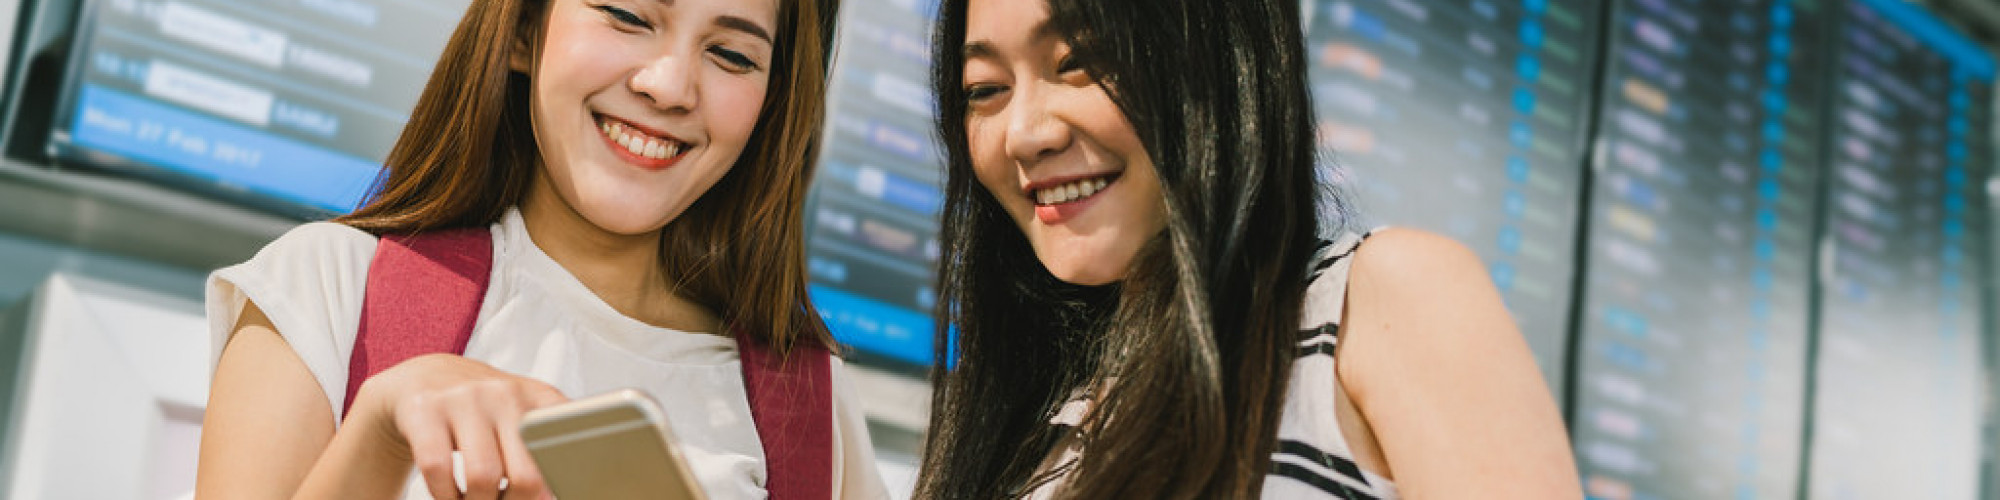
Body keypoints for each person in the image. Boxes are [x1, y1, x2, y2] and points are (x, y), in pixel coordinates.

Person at [195, 0, 885, 498]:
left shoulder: (812, 404)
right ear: (526, 28)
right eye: (628, 15)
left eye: (733, 54)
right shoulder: (326, 287)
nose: (669, 87)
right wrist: (381, 432)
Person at [914, 0, 1580, 498]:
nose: (1025, 134)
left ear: (1214, 61)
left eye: (1083, 62)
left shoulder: (1376, 302)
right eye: (985, 91)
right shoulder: (1028, 423)